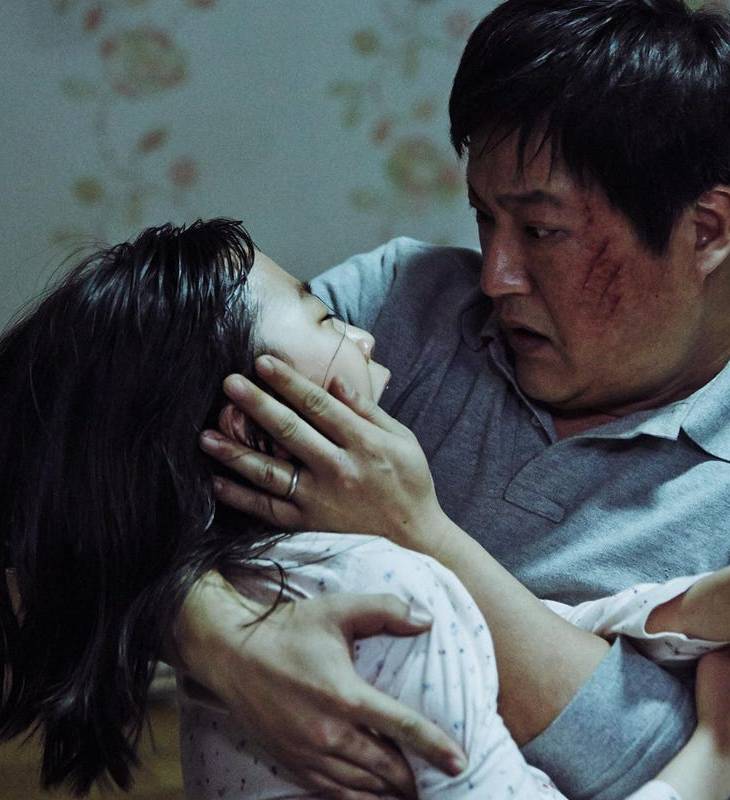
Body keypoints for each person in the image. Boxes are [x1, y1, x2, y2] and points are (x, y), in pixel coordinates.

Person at [173, 1, 730, 798]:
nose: (495, 275)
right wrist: (218, 635)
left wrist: (414, 531)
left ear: (706, 229)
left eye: (542, 231)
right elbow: (66, 472)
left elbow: (679, 765)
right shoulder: (392, 311)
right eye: (484, 217)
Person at [1, 219, 727, 800]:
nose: (363, 331)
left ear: (707, 227)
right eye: (325, 321)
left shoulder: (281, 574)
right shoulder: (389, 595)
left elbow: (480, 635)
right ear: (252, 424)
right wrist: (712, 758)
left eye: (542, 228)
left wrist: (679, 612)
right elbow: (447, 624)